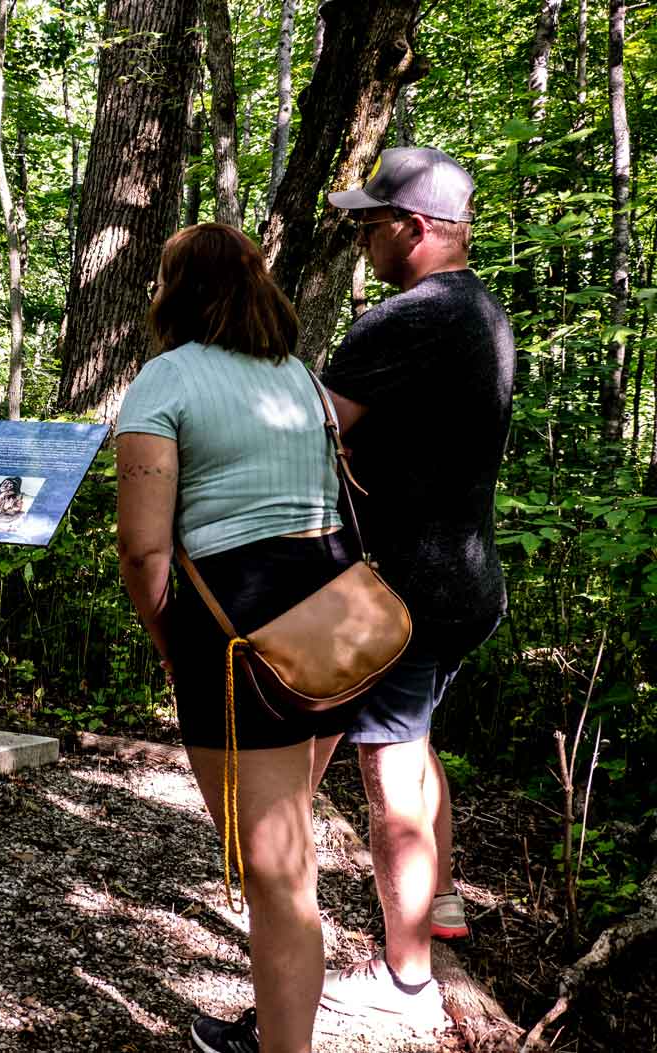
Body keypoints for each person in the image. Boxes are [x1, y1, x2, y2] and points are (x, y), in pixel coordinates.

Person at [116, 223, 369, 1053]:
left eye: (159, 277)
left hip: (242, 639)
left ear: (177, 289)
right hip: (336, 626)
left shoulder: (163, 381)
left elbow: (146, 549)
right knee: (283, 851)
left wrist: (167, 641)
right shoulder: (295, 373)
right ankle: (276, 1023)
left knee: (277, 871)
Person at [309, 147, 515, 1027]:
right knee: (419, 747)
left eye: (371, 222)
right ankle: (440, 911)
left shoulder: (407, 316)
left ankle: (407, 986)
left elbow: (316, 421)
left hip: (407, 596)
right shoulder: (483, 312)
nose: (361, 237)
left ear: (417, 228)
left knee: (388, 771)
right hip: (466, 581)